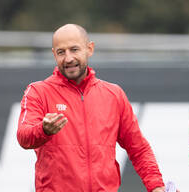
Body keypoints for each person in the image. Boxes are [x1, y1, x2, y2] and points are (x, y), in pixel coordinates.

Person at [17, 24, 166, 192]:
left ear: (90, 49)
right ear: (54, 54)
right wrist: (43, 130)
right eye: (61, 52)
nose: (68, 58)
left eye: (74, 50)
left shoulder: (113, 94)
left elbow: (138, 148)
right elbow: (24, 136)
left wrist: (156, 186)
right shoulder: (38, 91)